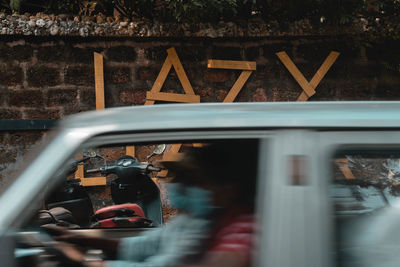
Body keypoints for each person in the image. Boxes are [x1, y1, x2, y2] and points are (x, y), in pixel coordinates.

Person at [53, 140, 258, 267]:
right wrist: (79, 239)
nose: (176, 184)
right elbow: (143, 245)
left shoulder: (244, 227)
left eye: (190, 180)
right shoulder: (193, 220)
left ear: (225, 187)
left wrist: (89, 263)